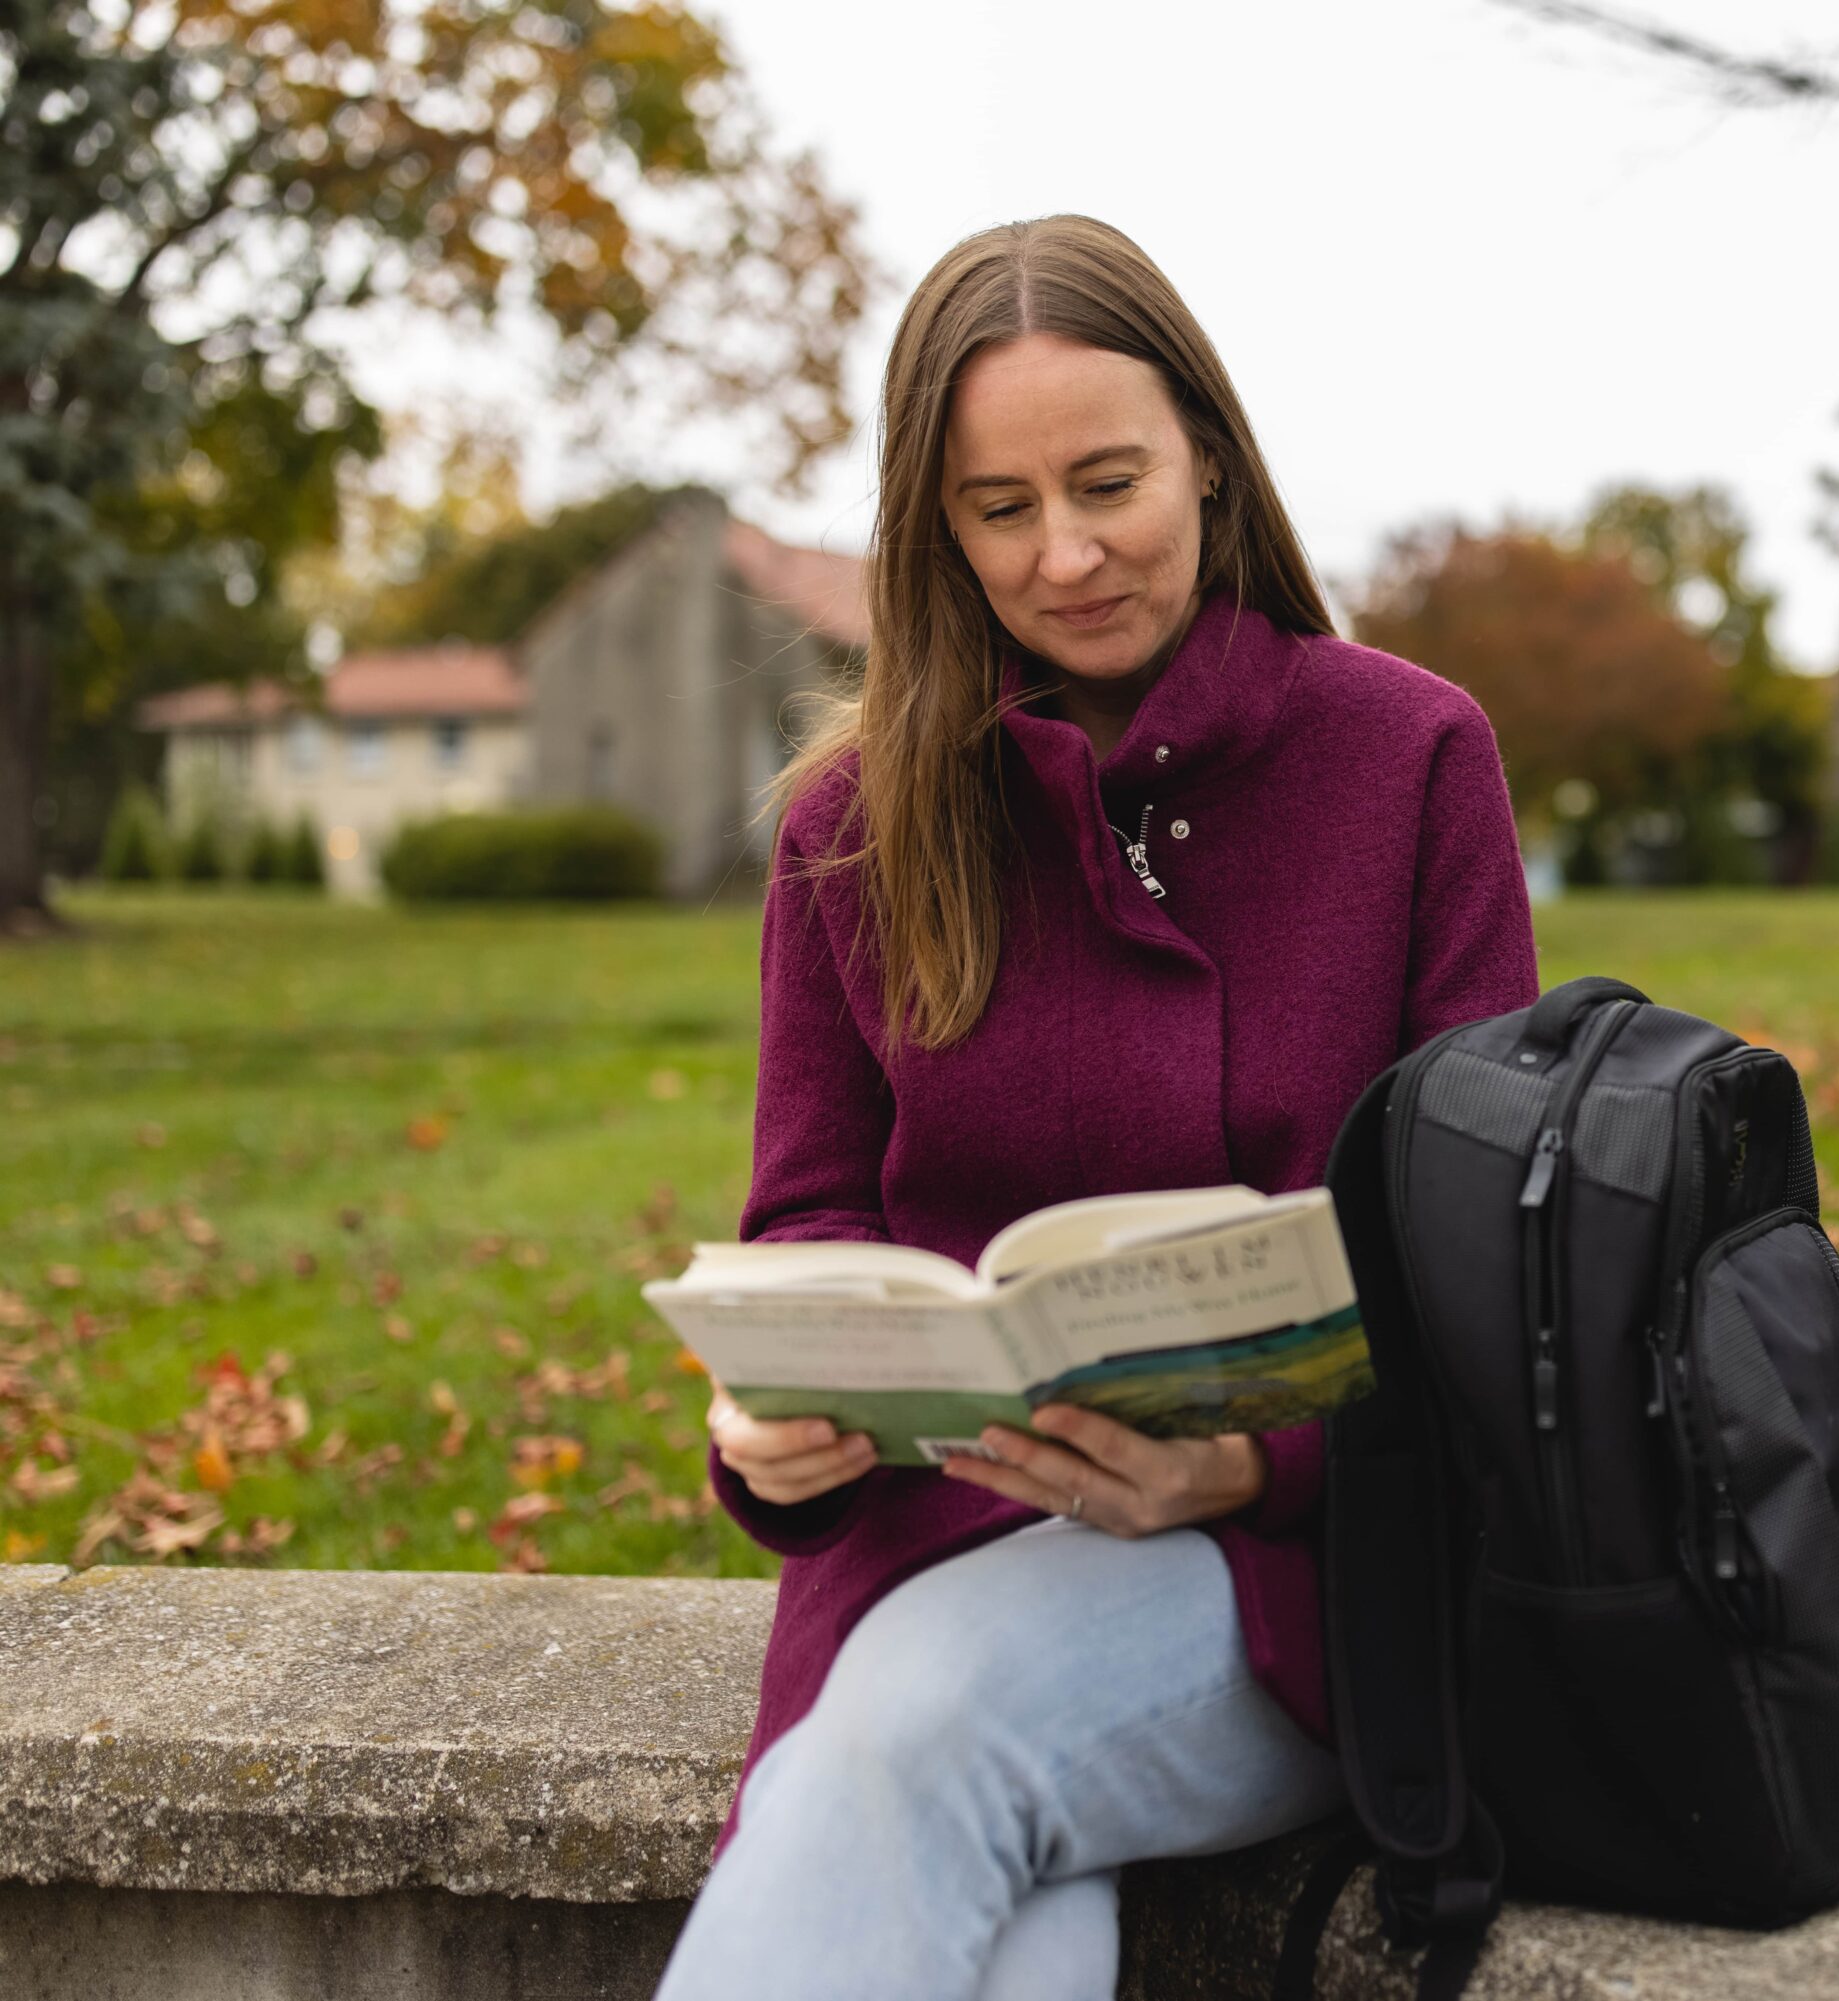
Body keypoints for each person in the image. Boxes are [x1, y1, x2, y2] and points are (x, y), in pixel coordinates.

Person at [652, 214, 1540, 2001]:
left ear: (1207, 451)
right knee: (992, 1891)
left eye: (1109, 483)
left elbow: (1488, 1263)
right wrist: (777, 1427)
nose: (1063, 554)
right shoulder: (853, 827)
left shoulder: (1410, 757)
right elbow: (811, 1217)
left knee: (928, 1736)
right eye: (999, 510)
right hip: (929, 1545)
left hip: (1297, 1573)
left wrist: (1252, 1462)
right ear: (937, 530)